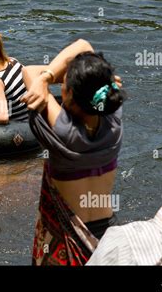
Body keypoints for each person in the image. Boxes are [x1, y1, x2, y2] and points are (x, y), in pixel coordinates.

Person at [21, 39, 126, 266]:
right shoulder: (114, 119)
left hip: (67, 236)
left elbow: (29, 72)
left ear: (69, 95)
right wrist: (96, 81)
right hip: (106, 231)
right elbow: (86, 47)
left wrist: (47, 76)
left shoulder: (61, 131)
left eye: (64, 84)